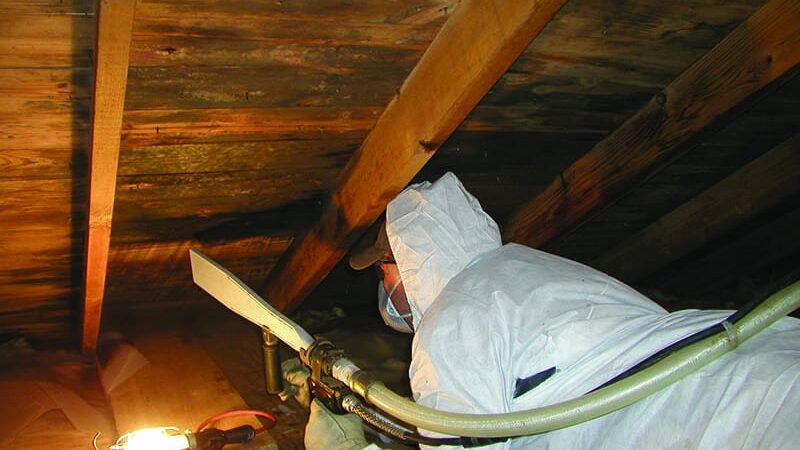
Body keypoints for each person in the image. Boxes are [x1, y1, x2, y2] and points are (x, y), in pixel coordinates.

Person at [287, 172, 800, 449]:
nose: (383, 288)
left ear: (410, 265)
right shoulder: (526, 264)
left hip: (719, 420)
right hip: (759, 353)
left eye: (383, 272)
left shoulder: (447, 325)